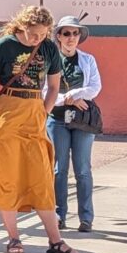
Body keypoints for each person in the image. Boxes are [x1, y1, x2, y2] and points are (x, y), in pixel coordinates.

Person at [0, 6, 79, 253]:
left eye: (41, 35)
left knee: (41, 179)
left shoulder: (49, 48)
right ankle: (13, 238)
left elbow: (53, 85)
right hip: (8, 109)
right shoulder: (6, 45)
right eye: (32, 34)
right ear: (21, 27)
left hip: (34, 113)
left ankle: (56, 241)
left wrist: (45, 111)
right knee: (8, 177)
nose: (36, 39)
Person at [45, 16, 102, 233]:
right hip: (57, 119)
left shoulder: (88, 60)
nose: (71, 38)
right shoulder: (51, 60)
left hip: (82, 120)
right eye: (66, 33)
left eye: (75, 33)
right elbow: (44, 91)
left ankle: (86, 217)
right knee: (59, 169)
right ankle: (59, 214)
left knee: (83, 169)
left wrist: (75, 95)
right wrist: (65, 99)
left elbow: (95, 87)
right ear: (58, 36)